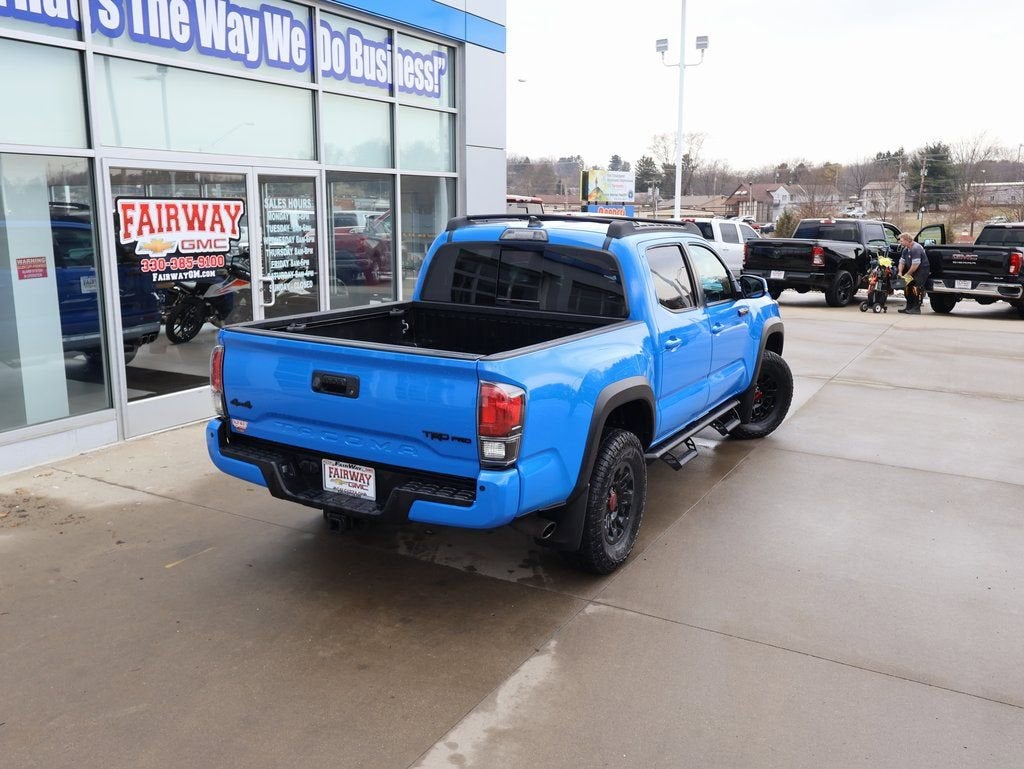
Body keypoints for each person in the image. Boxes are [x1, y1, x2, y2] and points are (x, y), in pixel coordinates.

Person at [896, 232, 930, 314]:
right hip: (912, 270)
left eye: (901, 241)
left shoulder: (916, 248)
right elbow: (901, 262)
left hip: (921, 270)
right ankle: (909, 307)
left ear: (907, 240)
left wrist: (907, 274)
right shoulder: (905, 249)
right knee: (907, 286)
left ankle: (916, 308)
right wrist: (900, 272)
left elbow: (915, 265)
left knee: (916, 287)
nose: (900, 243)